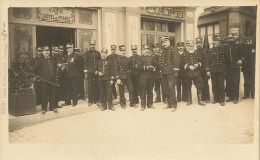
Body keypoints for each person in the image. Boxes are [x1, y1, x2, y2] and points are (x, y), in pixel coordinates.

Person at [33, 45, 58, 114]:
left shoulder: (52, 59)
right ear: (42, 52)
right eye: (45, 51)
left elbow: (56, 68)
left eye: (48, 51)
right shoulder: (40, 61)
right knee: (44, 95)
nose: (47, 52)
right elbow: (34, 70)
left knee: (52, 94)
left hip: (52, 81)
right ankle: (44, 108)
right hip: (44, 81)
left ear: (49, 52)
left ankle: (52, 107)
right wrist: (38, 76)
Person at [158, 36, 180, 112]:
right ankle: (169, 103)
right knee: (165, 88)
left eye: (166, 42)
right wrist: (161, 71)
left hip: (171, 72)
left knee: (171, 88)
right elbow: (161, 62)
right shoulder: (163, 51)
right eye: (163, 42)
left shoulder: (173, 50)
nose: (164, 44)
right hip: (164, 73)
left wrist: (176, 72)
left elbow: (176, 61)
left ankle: (174, 105)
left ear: (169, 42)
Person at [182, 40, 206, 106]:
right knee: (188, 87)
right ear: (186, 46)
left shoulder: (197, 53)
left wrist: (198, 64)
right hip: (188, 73)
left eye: (192, 46)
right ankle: (189, 100)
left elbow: (201, 62)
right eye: (189, 46)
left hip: (196, 73)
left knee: (199, 86)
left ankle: (200, 100)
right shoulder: (184, 54)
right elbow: (182, 64)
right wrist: (188, 67)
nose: (191, 47)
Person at [207, 35, 226, 106]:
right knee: (214, 84)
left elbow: (225, 60)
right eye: (216, 41)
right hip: (213, 70)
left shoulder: (223, 50)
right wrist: (208, 70)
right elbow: (208, 61)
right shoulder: (210, 50)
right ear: (214, 41)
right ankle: (215, 98)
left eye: (218, 41)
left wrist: (225, 69)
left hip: (221, 69)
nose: (217, 42)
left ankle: (222, 99)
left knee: (221, 84)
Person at [137, 44, 156, 111]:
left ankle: (150, 104)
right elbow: (138, 67)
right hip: (143, 77)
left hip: (151, 77)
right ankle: (143, 105)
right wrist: (147, 67)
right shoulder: (139, 58)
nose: (146, 51)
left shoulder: (151, 57)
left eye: (147, 49)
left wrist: (154, 68)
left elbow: (155, 65)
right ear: (142, 50)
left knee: (150, 91)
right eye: (145, 49)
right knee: (143, 91)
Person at [224, 34, 243, 104]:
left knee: (235, 82)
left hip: (236, 67)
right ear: (227, 40)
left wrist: (241, 60)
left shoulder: (238, 46)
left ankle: (235, 97)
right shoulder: (225, 47)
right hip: (228, 67)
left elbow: (243, 55)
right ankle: (230, 97)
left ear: (234, 39)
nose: (230, 40)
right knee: (229, 82)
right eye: (229, 39)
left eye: (232, 38)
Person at [84, 40, 101, 106]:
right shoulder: (87, 53)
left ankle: (96, 100)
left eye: (94, 44)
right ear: (90, 45)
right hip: (90, 72)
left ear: (95, 45)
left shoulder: (98, 53)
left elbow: (99, 62)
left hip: (96, 72)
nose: (92, 46)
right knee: (90, 86)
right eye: (91, 44)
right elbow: (85, 62)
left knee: (96, 86)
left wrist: (99, 70)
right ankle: (90, 100)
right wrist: (85, 71)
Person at [195, 38, 210, 103]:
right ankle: (201, 98)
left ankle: (207, 98)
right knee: (199, 84)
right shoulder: (195, 52)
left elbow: (207, 61)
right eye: (197, 43)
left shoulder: (206, 51)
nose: (199, 44)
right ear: (196, 44)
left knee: (206, 84)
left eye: (200, 43)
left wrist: (207, 70)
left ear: (202, 43)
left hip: (204, 70)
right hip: (198, 71)